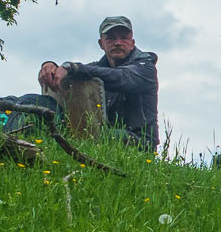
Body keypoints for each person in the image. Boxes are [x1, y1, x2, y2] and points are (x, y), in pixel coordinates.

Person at [37, 15, 160, 147]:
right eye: (111, 38)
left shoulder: (145, 68)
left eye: (124, 38)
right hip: (100, 133)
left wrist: (72, 67)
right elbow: (77, 73)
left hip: (138, 142)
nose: (118, 42)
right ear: (101, 44)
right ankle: (15, 144)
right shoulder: (95, 68)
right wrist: (51, 68)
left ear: (132, 43)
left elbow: (119, 77)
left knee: (95, 136)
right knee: (27, 102)